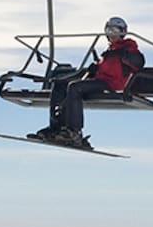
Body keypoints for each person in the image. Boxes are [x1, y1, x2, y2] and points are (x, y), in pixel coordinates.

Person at [31, 17, 146, 148]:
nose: (112, 33)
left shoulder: (129, 48)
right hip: (100, 81)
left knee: (75, 87)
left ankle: (74, 131)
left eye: (115, 30)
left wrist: (125, 57)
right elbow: (102, 67)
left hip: (113, 84)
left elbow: (139, 63)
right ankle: (56, 128)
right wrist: (95, 67)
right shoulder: (109, 51)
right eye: (108, 30)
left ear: (123, 32)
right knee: (59, 84)